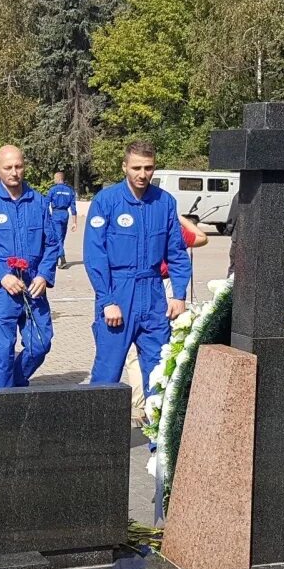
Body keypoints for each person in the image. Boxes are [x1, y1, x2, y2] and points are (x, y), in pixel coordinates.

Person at [83, 140, 191, 398]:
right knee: (107, 371)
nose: (142, 174)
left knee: (160, 371)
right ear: (124, 167)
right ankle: (97, 436)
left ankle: (158, 438)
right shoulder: (106, 201)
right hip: (118, 293)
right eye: (136, 168)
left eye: (148, 168)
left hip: (153, 295)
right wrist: (107, 300)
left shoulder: (164, 202)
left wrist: (178, 295)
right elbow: (95, 255)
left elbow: (176, 251)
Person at [0, 145, 59, 388]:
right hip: (2, 291)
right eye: (8, 167)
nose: (14, 172)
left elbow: (52, 244)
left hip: (33, 288)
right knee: (2, 352)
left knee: (41, 343)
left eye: (18, 166)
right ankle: (0, 406)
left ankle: (16, 383)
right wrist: (1, 277)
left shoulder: (39, 203)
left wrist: (44, 275)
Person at [125, 215, 208, 426]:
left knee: (136, 351)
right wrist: (181, 217)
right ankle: (155, 402)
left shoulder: (140, 225)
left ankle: (140, 404)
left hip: (141, 286)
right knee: (160, 347)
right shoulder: (172, 228)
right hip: (167, 287)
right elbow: (202, 237)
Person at [46, 172, 78, 268]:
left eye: (55, 178)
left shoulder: (53, 190)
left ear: (59, 179)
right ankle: (56, 259)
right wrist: (75, 222)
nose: (54, 180)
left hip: (56, 214)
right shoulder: (70, 191)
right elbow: (73, 207)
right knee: (61, 237)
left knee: (58, 238)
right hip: (65, 214)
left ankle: (62, 259)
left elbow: (46, 204)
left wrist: (47, 216)